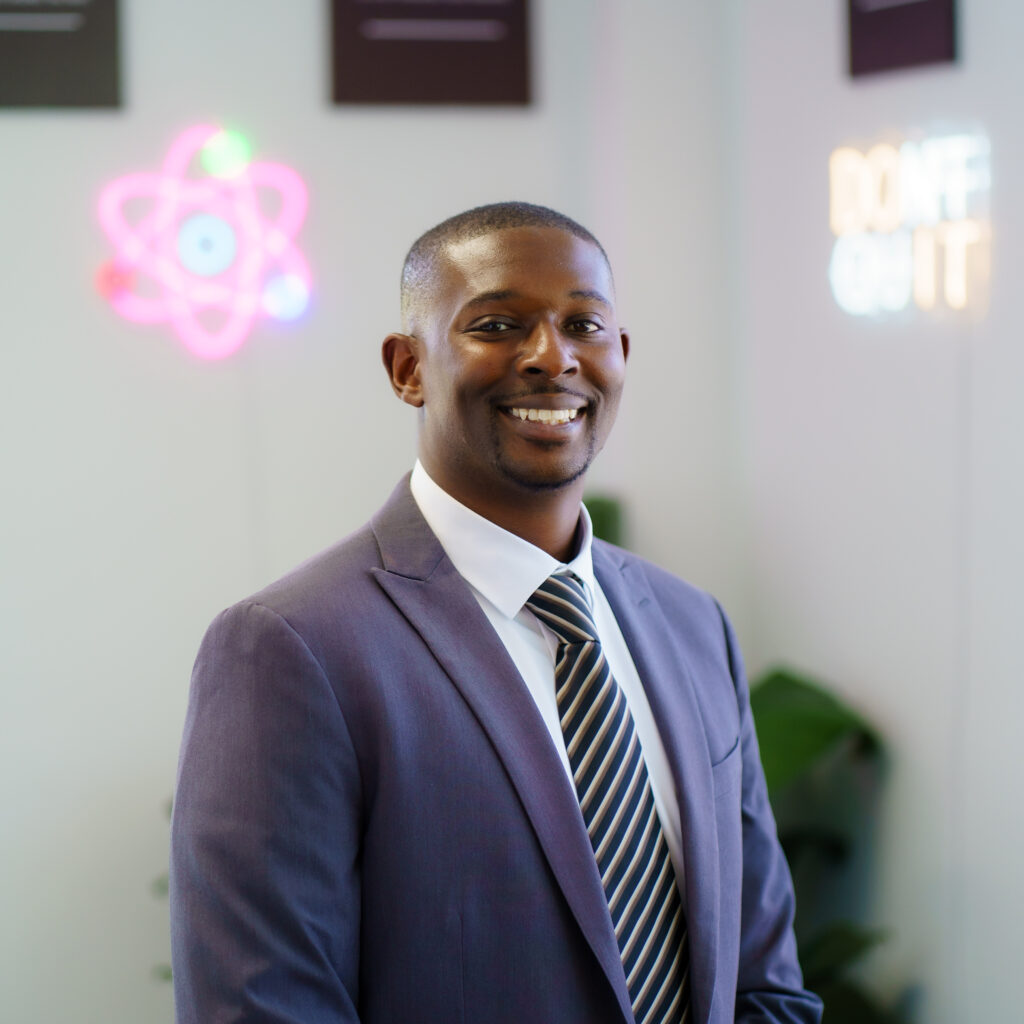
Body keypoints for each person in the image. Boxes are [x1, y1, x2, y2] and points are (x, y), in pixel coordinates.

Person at [170, 202, 822, 1024]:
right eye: (497, 325)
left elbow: (763, 985)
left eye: (583, 325)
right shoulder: (291, 648)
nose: (553, 356)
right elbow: (265, 1008)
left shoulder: (695, 628)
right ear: (408, 367)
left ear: (620, 355)